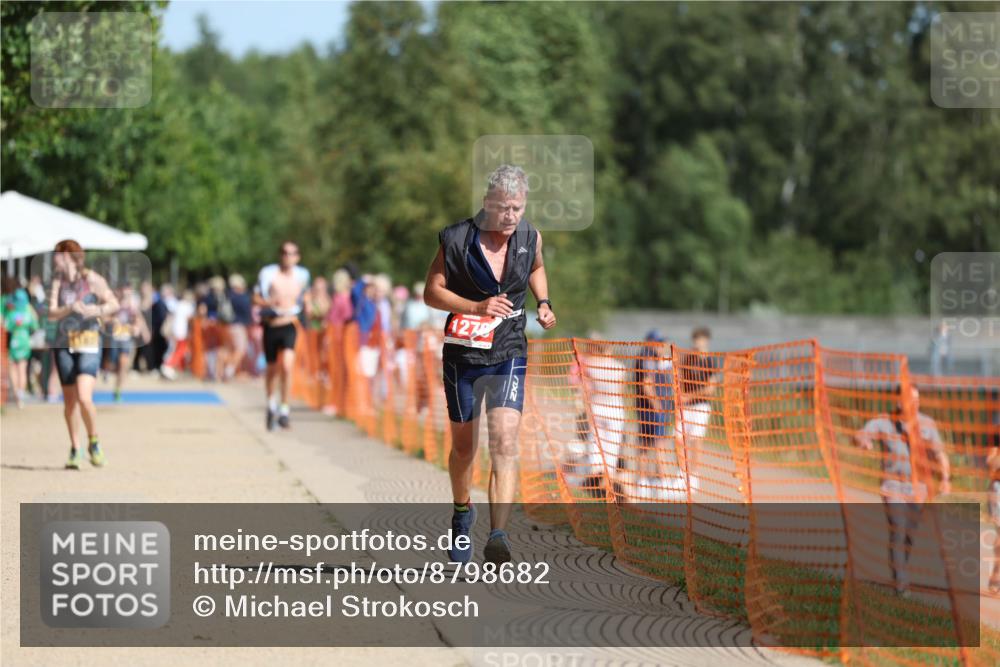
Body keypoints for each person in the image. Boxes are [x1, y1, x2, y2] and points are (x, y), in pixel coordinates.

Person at [423, 164, 556, 564]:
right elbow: (431, 292)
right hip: (463, 352)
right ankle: (463, 512)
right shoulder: (456, 239)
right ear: (487, 204)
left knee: (504, 441)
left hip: (509, 349)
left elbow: (537, 268)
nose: (511, 216)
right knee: (465, 448)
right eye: (504, 208)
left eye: (517, 207)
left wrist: (544, 303)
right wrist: (476, 306)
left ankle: (499, 534)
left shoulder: (530, 236)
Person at [854, 385, 951, 597]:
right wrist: (863, 441)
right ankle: (900, 584)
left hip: (919, 489)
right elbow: (861, 434)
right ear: (899, 401)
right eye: (908, 399)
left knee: (909, 535)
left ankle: (900, 572)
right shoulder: (884, 421)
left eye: (916, 400)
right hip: (893, 486)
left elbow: (940, 453)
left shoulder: (927, 424)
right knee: (898, 530)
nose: (912, 403)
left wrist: (945, 478)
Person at [47, 239, 119, 469]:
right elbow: (50, 313)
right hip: (64, 344)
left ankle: (94, 441)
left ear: (69, 256)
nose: (54, 258)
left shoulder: (92, 279)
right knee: (69, 404)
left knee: (84, 398)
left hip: (88, 342)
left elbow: (113, 304)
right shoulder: (57, 281)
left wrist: (94, 310)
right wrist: (69, 308)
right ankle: (75, 448)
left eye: (57, 254)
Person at [254, 241, 311, 431]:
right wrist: (268, 302)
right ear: (280, 255)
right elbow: (255, 297)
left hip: (290, 324)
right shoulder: (269, 274)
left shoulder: (302, 276)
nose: (288, 256)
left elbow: (306, 298)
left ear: (298, 256)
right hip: (272, 324)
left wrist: (310, 310)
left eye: (292, 253)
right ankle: (271, 403)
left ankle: (285, 409)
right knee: (272, 369)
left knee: (287, 366)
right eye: (285, 253)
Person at [674, 327, 720, 491]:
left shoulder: (710, 361)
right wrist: (680, 396)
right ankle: (681, 474)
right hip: (685, 406)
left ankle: (694, 476)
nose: (696, 343)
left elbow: (711, 388)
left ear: (706, 341)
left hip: (701, 405)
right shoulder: (688, 358)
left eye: (699, 340)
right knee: (678, 438)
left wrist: (690, 395)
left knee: (696, 440)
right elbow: (680, 379)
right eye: (695, 340)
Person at [635, 330, 676, 484]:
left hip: (653, 408)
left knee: (646, 444)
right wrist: (658, 406)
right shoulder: (646, 358)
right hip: (653, 409)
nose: (661, 346)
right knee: (658, 444)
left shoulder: (656, 358)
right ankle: (662, 480)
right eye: (658, 343)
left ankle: (646, 479)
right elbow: (647, 385)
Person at [107, 284, 148, 402]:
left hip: (126, 338)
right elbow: (105, 318)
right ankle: (106, 370)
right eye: (124, 291)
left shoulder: (133, 304)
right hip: (114, 337)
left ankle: (118, 390)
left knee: (123, 364)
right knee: (112, 365)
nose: (126, 293)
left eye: (129, 291)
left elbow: (138, 318)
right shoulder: (113, 302)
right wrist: (114, 317)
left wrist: (142, 331)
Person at [4, 288, 39, 408]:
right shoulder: (28, 313)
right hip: (25, 342)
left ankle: (16, 397)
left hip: (14, 342)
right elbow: (35, 326)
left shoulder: (11, 313)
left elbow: (6, 327)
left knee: (13, 369)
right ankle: (21, 395)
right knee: (22, 370)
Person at [223, 273, 252, 379]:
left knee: (229, 349)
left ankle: (224, 370)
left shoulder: (227, 296)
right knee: (240, 350)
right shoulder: (240, 298)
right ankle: (228, 371)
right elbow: (247, 312)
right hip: (238, 326)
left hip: (227, 326)